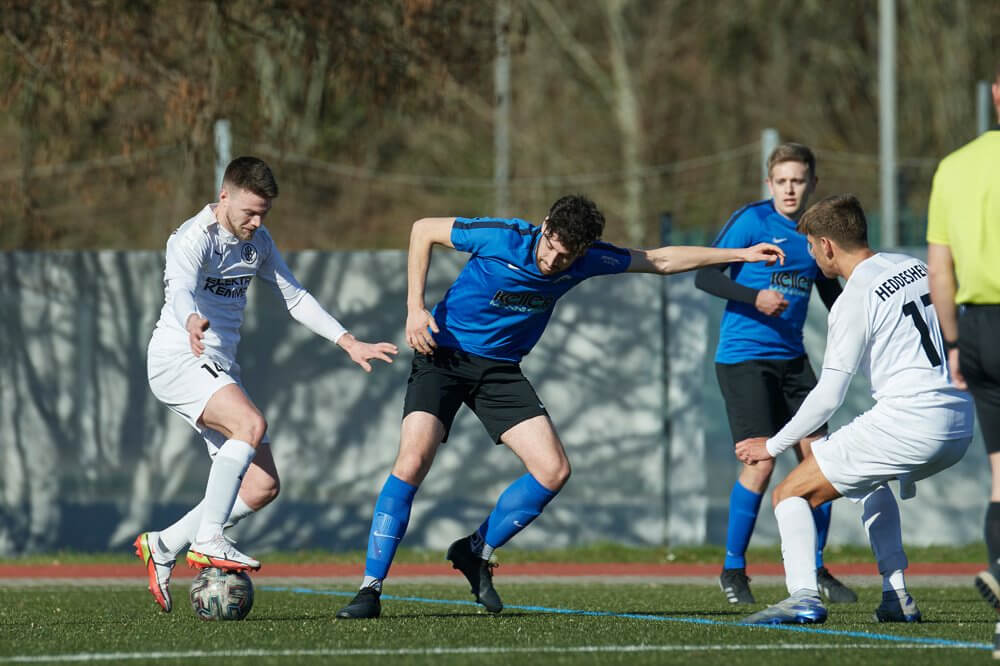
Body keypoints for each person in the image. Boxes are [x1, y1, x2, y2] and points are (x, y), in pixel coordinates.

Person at [335, 194, 785, 619]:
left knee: (553, 470)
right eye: (551, 246)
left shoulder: (588, 259)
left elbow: (659, 259)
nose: (554, 261)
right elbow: (422, 229)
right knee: (413, 460)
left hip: (499, 370)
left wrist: (740, 256)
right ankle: (370, 588)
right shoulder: (502, 236)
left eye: (567, 256)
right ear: (544, 228)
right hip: (443, 355)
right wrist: (415, 308)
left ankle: (476, 551)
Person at [134, 156, 398, 613]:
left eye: (263, 215)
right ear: (224, 196)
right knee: (250, 424)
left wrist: (348, 341)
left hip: (218, 366)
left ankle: (163, 545)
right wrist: (191, 318)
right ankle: (210, 539)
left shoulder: (257, 243)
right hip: (180, 356)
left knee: (260, 486)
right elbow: (177, 289)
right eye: (248, 213)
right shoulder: (192, 238)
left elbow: (294, 296)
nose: (256, 223)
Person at [736, 194, 974, 625]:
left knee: (790, 493)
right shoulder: (914, 266)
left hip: (912, 420)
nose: (810, 255)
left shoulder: (853, 297)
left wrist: (772, 445)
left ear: (827, 245)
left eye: (810, 246)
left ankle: (804, 596)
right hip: (960, 421)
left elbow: (829, 395)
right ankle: (896, 594)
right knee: (868, 482)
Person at [694, 143, 855, 605]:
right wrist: (753, 297)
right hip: (744, 359)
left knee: (820, 464)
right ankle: (732, 570)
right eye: (781, 180)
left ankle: (816, 566)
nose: (789, 188)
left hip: (793, 362)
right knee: (761, 463)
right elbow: (705, 276)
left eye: (798, 180)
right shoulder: (752, 222)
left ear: (812, 185)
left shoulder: (815, 235)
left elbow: (833, 293)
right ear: (770, 184)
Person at [926, 67, 1000, 635]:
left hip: (977, 331)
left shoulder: (954, 166)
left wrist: (953, 342)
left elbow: (940, 269)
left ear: (995, 95)